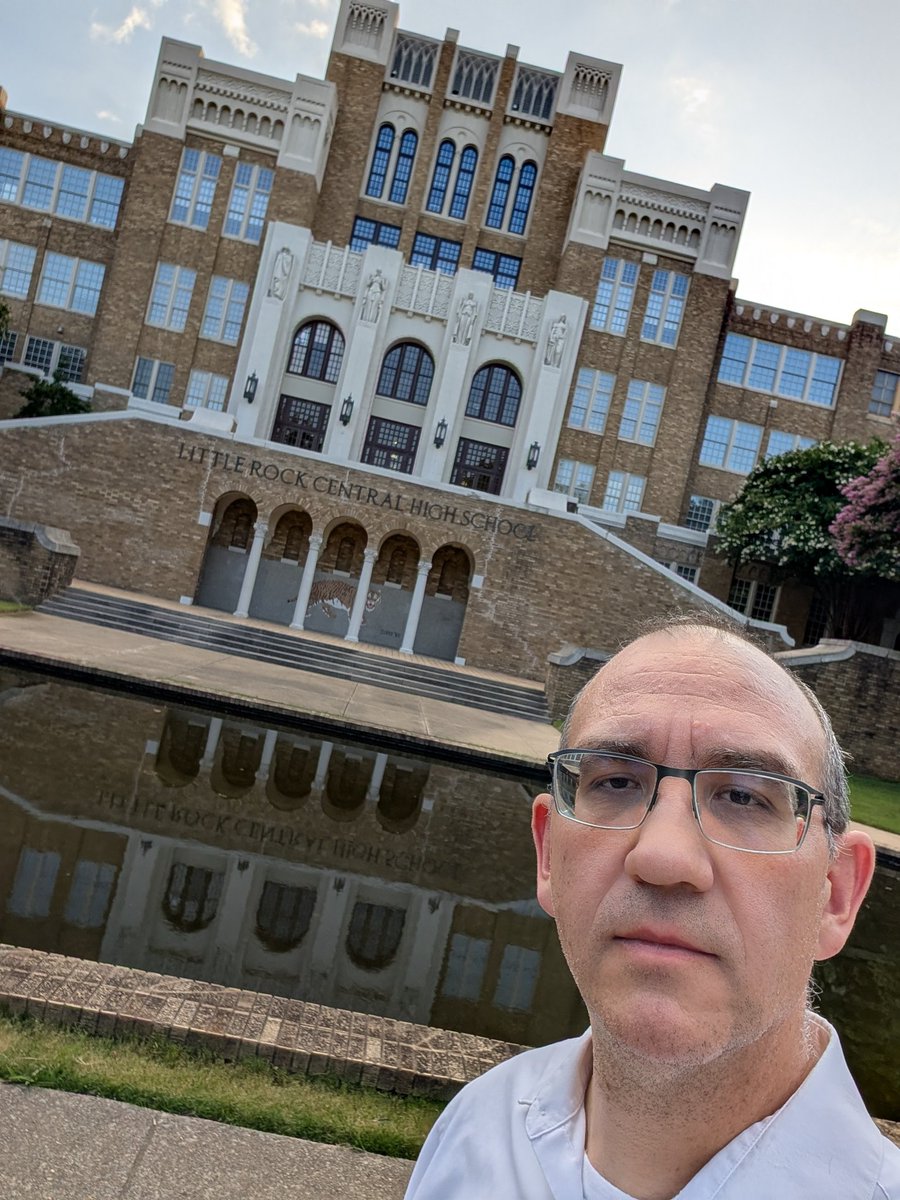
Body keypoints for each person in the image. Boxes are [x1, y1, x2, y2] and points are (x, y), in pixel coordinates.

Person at [405, 616, 899, 1199]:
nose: (663, 857)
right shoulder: (474, 1130)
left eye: (744, 795)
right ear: (547, 855)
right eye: (615, 782)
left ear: (835, 895)